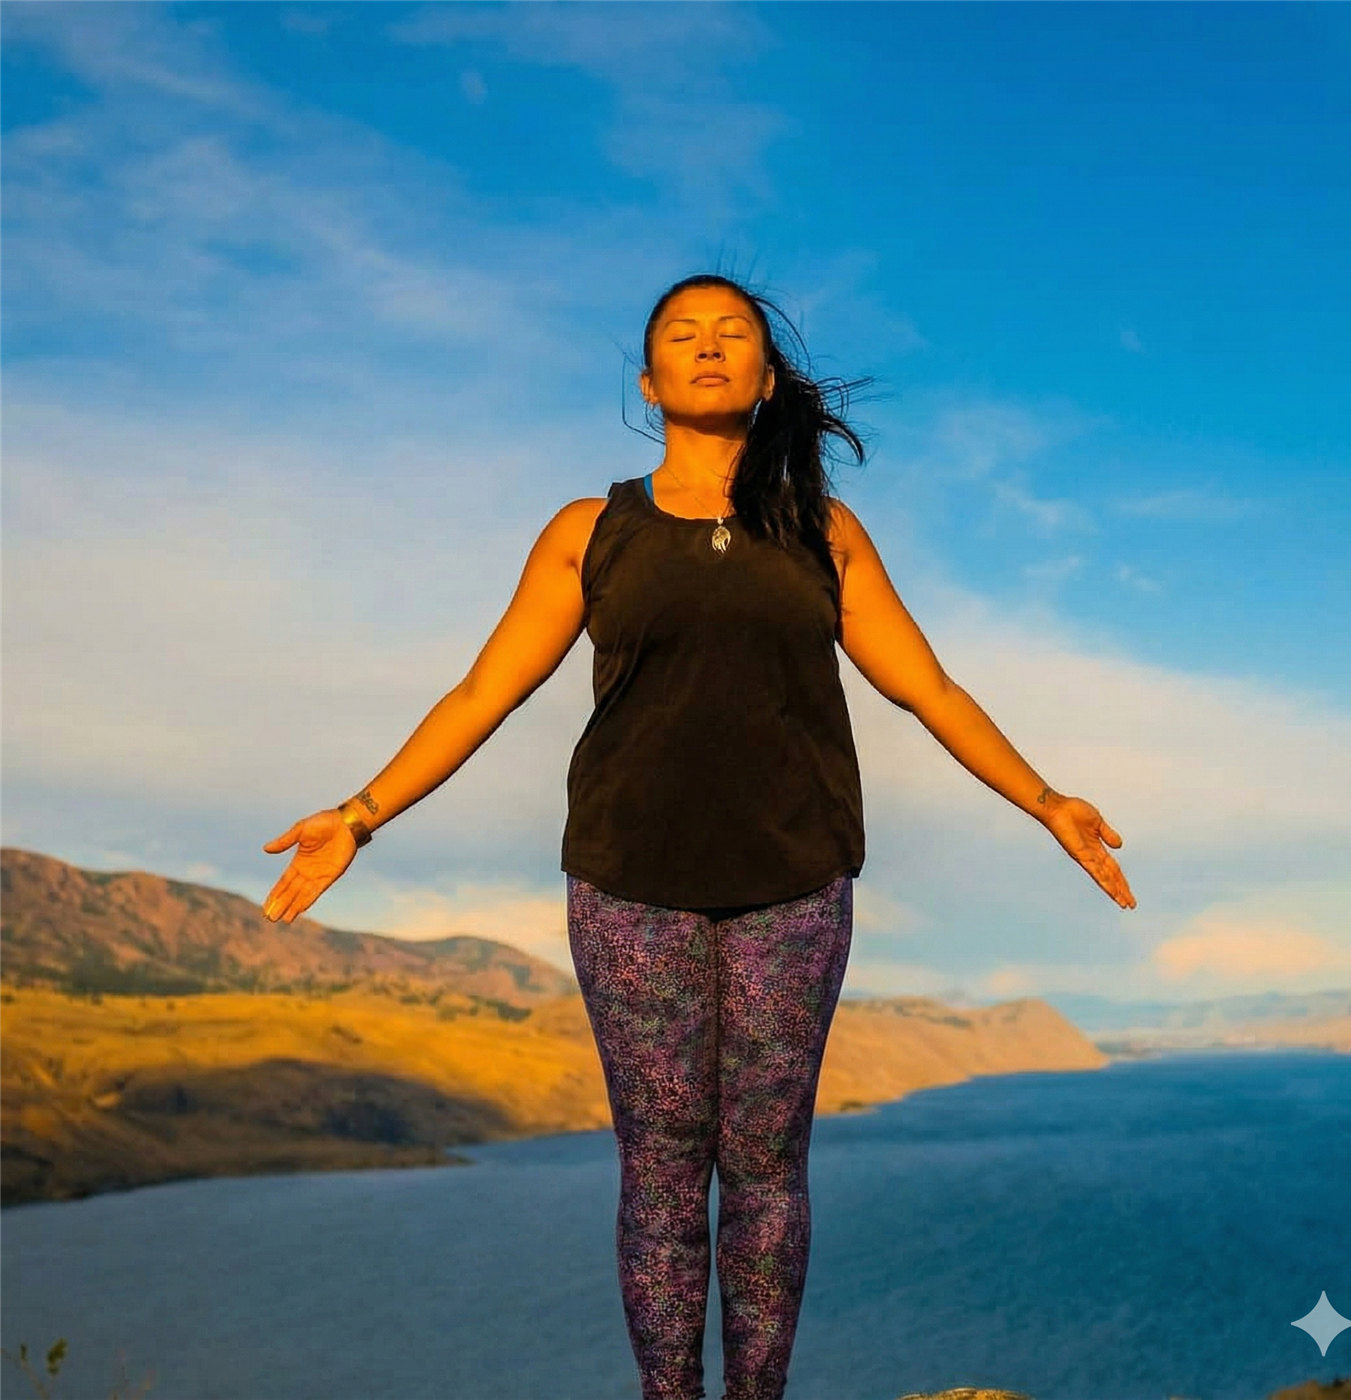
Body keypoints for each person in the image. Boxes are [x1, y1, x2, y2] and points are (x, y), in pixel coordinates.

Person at [261, 272, 1136, 1400]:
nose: (709, 345)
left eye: (734, 334)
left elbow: (933, 689)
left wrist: (1045, 796)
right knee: (664, 1167)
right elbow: (484, 690)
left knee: (767, 1165)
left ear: (767, 378)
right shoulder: (591, 531)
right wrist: (361, 814)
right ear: (647, 379)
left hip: (794, 879)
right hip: (629, 885)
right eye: (683, 333)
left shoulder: (823, 530)